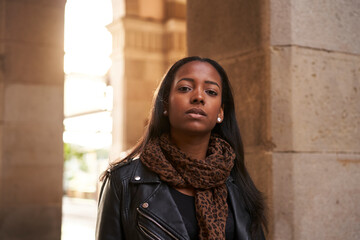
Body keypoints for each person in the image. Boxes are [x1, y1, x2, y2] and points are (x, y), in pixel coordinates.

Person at [96, 56, 267, 240]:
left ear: (220, 112)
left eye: (211, 91)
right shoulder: (124, 181)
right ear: (165, 104)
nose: (199, 97)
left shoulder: (236, 183)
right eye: (185, 88)